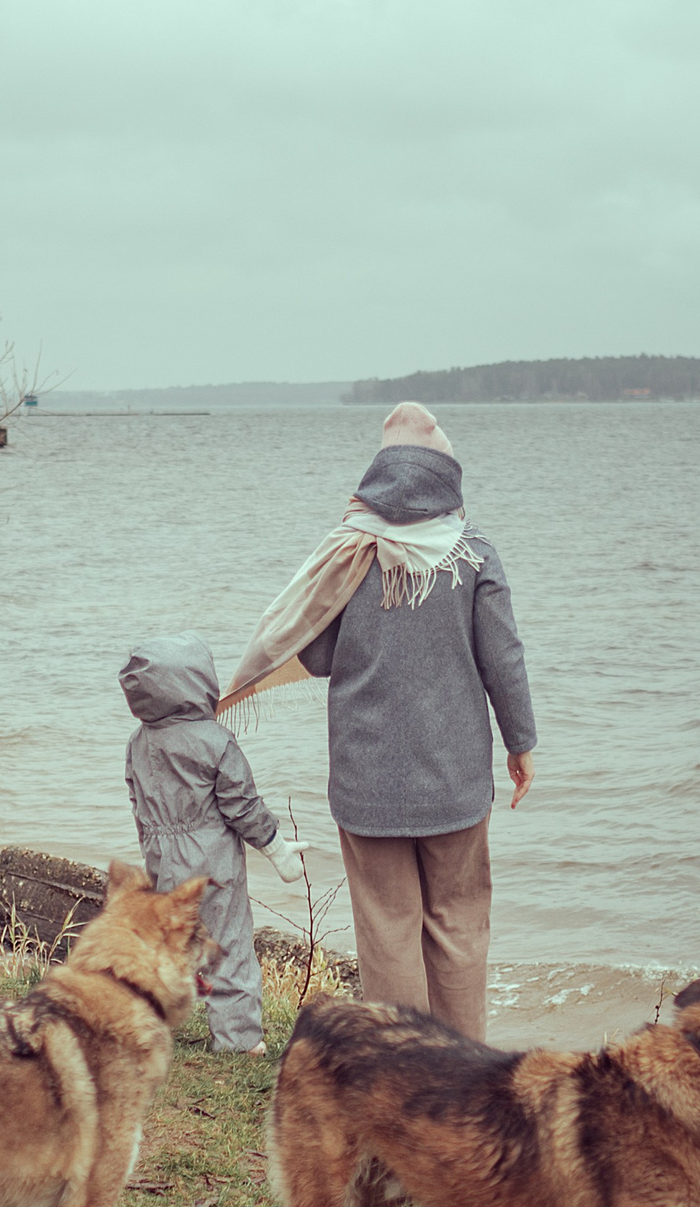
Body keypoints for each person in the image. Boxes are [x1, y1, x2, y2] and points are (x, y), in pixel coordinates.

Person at [219, 403, 535, 1041]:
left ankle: (403, 1077)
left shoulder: (346, 555)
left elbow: (318, 652)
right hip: (455, 781)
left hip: (368, 782)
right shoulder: (473, 555)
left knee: (388, 930)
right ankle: (465, 1073)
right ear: (445, 477)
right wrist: (521, 743)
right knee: (458, 925)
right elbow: (503, 658)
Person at [121, 632, 311, 1053]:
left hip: (161, 857)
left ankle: (149, 1023)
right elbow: (241, 805)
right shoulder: (214, 740)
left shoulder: (138, 742)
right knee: (229, 944)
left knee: (171, 942)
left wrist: (156, 849)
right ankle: (238, 1039)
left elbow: (137, 801)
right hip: (211, 860)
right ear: (198, 683)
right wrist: (276, 847)